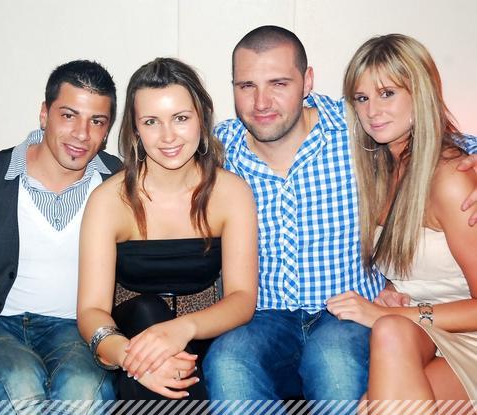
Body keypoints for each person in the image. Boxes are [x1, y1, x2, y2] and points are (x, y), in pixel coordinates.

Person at [203, 25, 477, 402]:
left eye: (279, 83)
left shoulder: (352, 127)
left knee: (335, 361)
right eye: (247, 86)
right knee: (228, 361)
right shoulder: (221, 148)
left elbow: (446, 143)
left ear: (307, 81)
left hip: (350, 313)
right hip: (267, 317)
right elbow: (164, 159)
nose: (261, 102)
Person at [76, 57, 258, 400]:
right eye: (151, 122)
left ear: (201, 118)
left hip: (203, 334)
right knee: (147, 311)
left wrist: (181, 329)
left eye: (181, 118)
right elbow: (90, 311)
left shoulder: (232, 193)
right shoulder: (108, 201)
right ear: (135, 129)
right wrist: (130, 356)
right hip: (129, 341)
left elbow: (242, 298)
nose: (168, 136)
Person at [0, 60, 121, 408]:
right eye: (69, 115)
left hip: (75, 328)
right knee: (18, 381)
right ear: (45, 114)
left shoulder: (118, 182)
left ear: (107, 129)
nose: (82, 134)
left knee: (85, 390)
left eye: (96, 121)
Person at [325, 34, 477, 407]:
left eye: (387, 93)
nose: (372, 111)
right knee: (390, 332)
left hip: (466, 335)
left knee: (388, 332)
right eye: (362, 98)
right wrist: (393, 291)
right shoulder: (382, 173)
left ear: (420, 94)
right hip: (423, 334)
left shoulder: (450, 178)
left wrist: (389, 312)